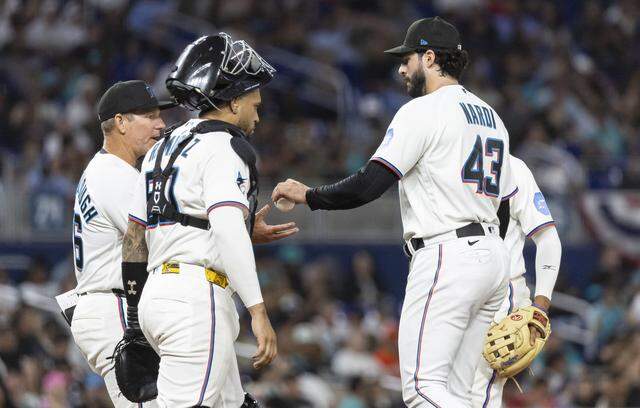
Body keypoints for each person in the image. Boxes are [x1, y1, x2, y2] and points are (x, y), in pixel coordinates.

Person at [272, 17, 517, 407]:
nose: (402, 68)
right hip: (492, 255)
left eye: (409, 57)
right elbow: (505, 206)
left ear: (431, 57)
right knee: (459, 393)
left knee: (422, 389)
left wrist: (310, 195)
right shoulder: (493, 118)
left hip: (446, 255)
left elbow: (370, 184)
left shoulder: (422, 111)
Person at [122, 33, 281, 407]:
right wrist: (258, 310)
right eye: (253, 102)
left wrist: (134, 318)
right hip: (195, 296)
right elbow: (226, 229)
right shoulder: (224, 147)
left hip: (157, 297)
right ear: (234, 99)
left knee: (233, 402)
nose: (257, 114)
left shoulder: (163, 146)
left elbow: (134, 236)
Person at [70, 79, 173, 408]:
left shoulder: (103, 169)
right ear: (120, 123)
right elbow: (162, 239)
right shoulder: (115, 175)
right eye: (149, 116)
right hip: (115, 307)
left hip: (106, 305)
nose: (161, 125)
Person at [471, 155, 561, 407]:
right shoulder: (443, 155)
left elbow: (548, 238)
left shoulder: (511, 166)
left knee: (480, 389)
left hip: (500, 289)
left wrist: (541, 308)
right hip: (454, 285)